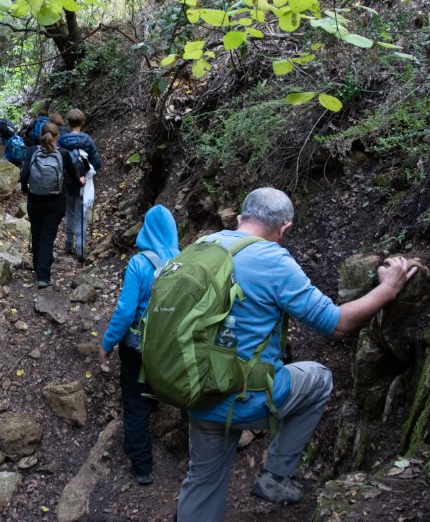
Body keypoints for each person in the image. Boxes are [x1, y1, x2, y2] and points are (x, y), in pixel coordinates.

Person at [176, 187, 417, 521]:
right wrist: (388, 288)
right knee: (319, 379)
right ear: (285, 228)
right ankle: (275, 476)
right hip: (246, 398)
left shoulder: (200, 247)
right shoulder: (273, 261)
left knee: (202, 480)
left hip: (194, 389)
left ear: (241, 217)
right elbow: (338, 324)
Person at [100, 204, 180, 486]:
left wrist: (107, 343)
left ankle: (142, 465)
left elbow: (124, 312)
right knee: (157, 387)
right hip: (171, 344)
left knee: (134, 403)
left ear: (147, 230)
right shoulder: (185, 262)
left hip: (137, 346)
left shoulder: (139, 263)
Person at [20, 122, 84, 289]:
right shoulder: (62, 153)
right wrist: (80, 182)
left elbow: (24, 174)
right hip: (56, 201)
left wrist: (24, 190)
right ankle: (43, 276)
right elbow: (72, 175)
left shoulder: (32, 151)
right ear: (57, 136)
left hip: (35, 199)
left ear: (41, 135)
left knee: (37, 233)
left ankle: (38, 268)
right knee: (48, 236)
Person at [56, 108, 102, 261]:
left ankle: (68, 245)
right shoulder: (87, 140)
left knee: (69, 212)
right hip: (83, 182)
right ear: (82, 122)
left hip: (68, 181)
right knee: (80, 215)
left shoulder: (62, 140)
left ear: (68, 123)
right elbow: (97, 162)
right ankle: (80, 248)